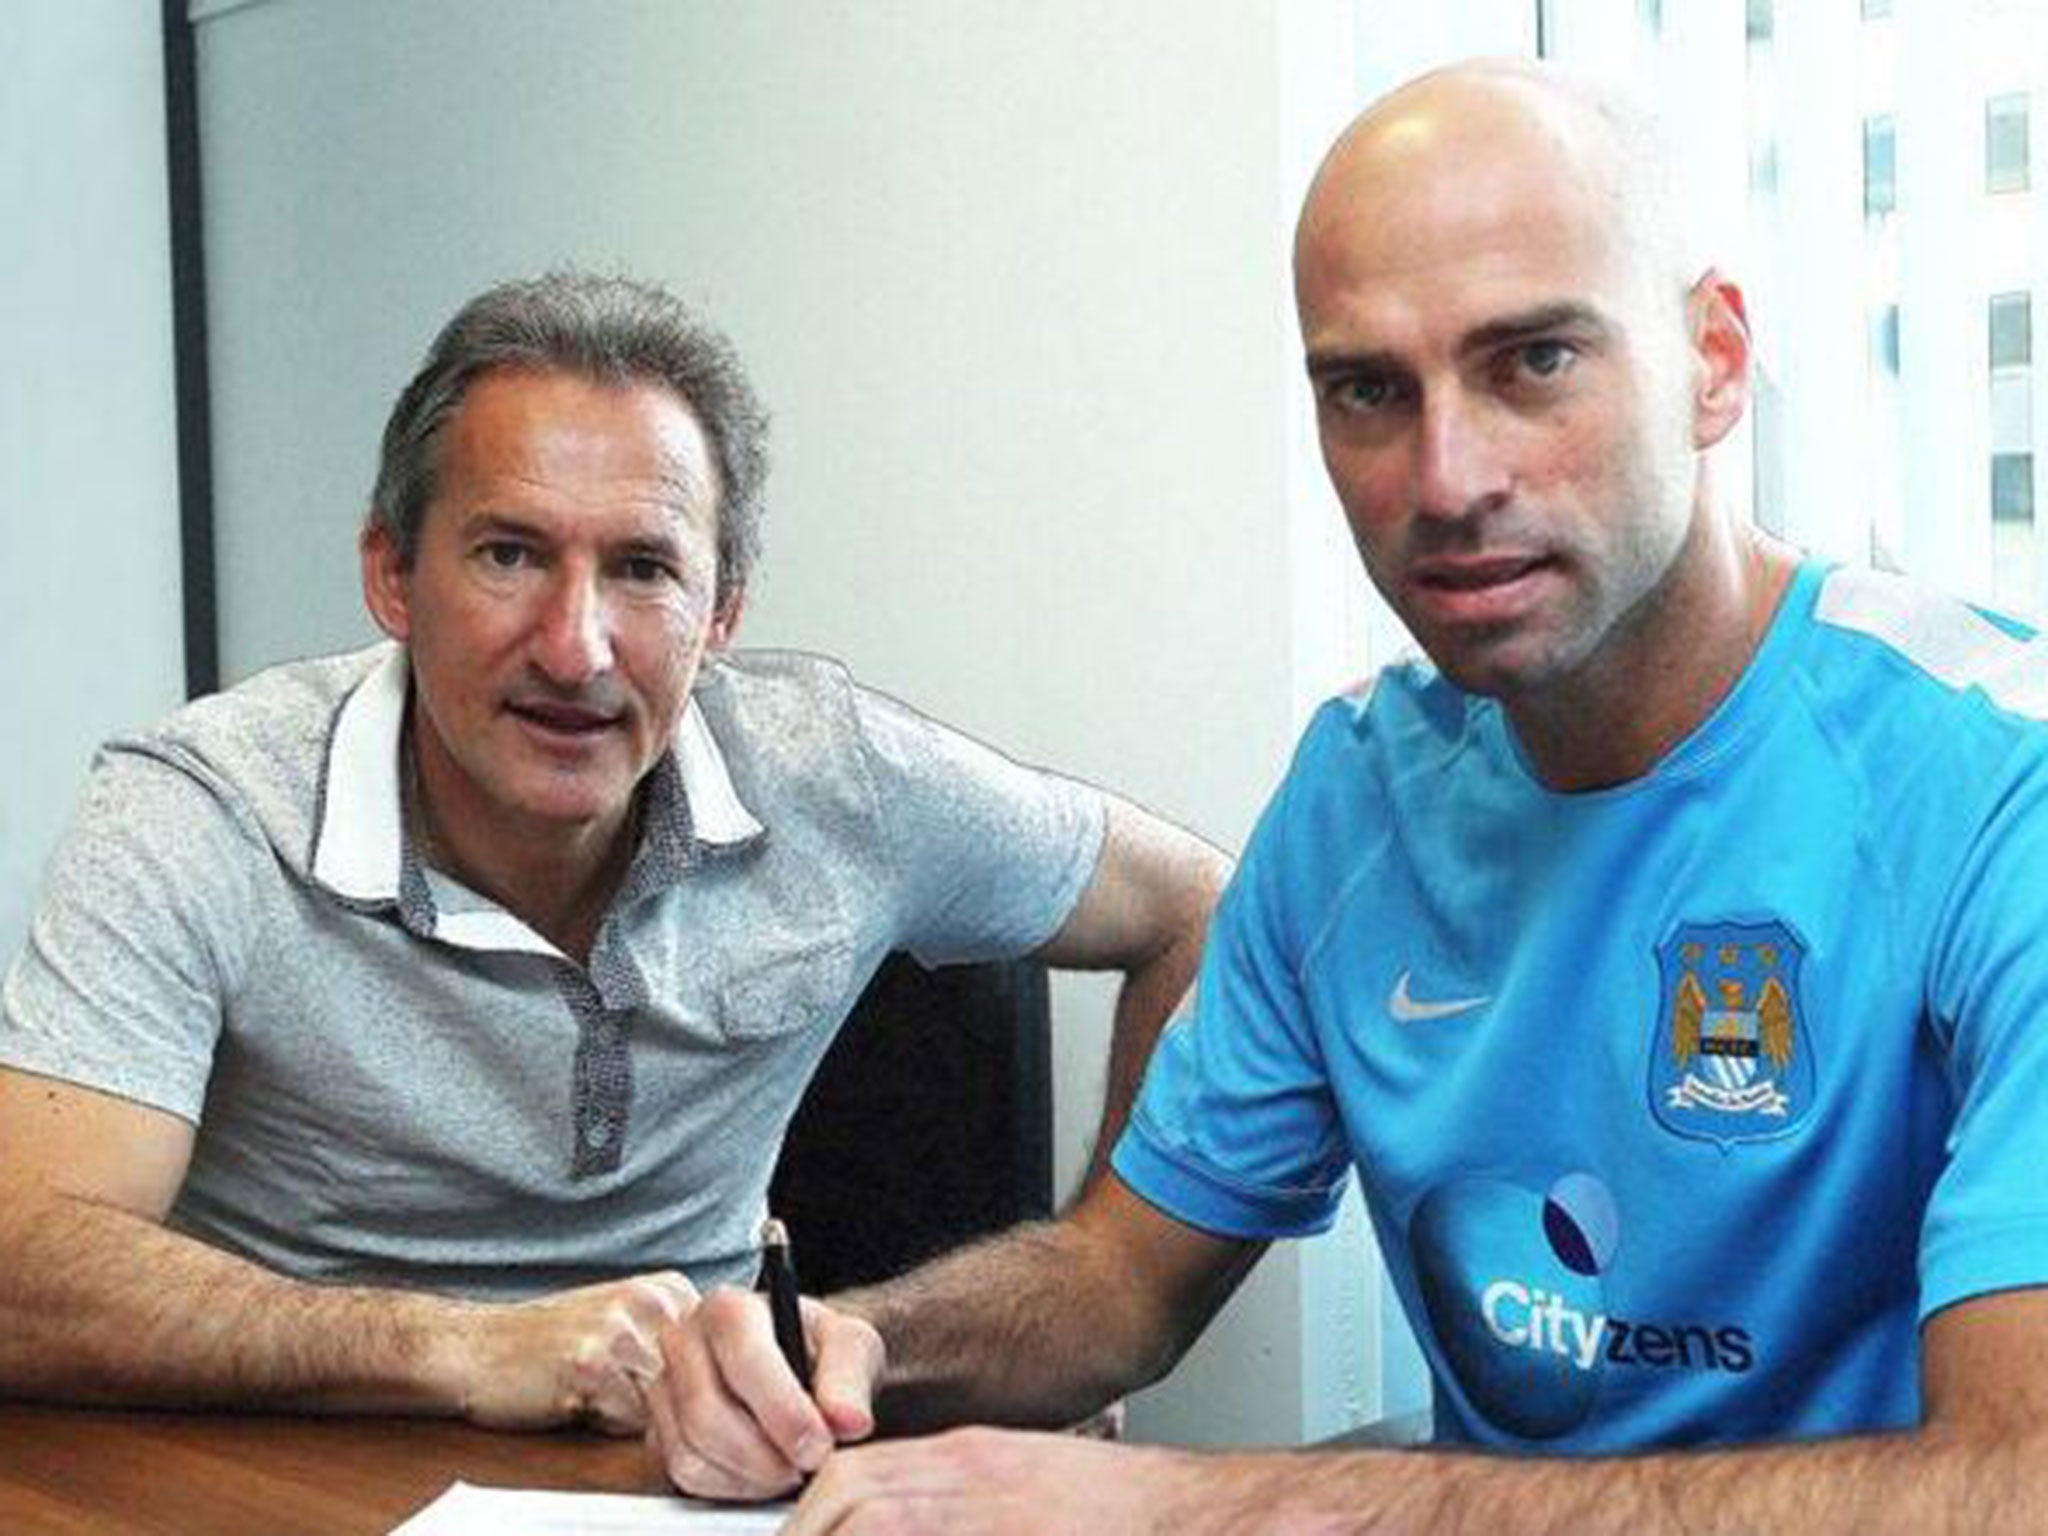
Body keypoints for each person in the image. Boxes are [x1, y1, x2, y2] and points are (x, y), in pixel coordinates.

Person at [644, 57, 2048, 1532]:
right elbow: (1119, 1282)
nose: (1444, 478)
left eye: (1533, 362)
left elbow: (2021, 1484)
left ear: (1712, 361)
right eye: (1369, 390)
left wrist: (1214, 1506)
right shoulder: (1362, 786)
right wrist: (857, 1342)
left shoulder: (1994, 786)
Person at [0, 272, 1227, 1434]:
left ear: (722, 616)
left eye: (642, 570)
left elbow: (1196, 905)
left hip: (693, 1475)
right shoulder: (202, 808)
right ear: (391, 573)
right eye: (509, 554)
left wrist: (1088, 1295)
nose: (575, 647)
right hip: (283, 1475)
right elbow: (21, 1265)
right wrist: (469, 1351)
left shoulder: (838, 774)